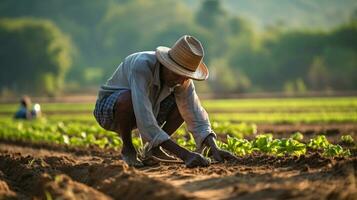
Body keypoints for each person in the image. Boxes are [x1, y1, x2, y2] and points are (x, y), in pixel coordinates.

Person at [94, 35, 236, 167]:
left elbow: (195, 113)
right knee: (127, 99)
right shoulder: (142, 66)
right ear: (166, 65)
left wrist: (213, 146)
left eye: (186, 76)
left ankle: (155, 148)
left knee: (182, 107)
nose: (181, 80)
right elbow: (143, 115)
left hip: (150, 107)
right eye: (177, 73)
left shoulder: (182, 80)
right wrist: (184, 154)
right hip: (111, 110)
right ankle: (128, 148)